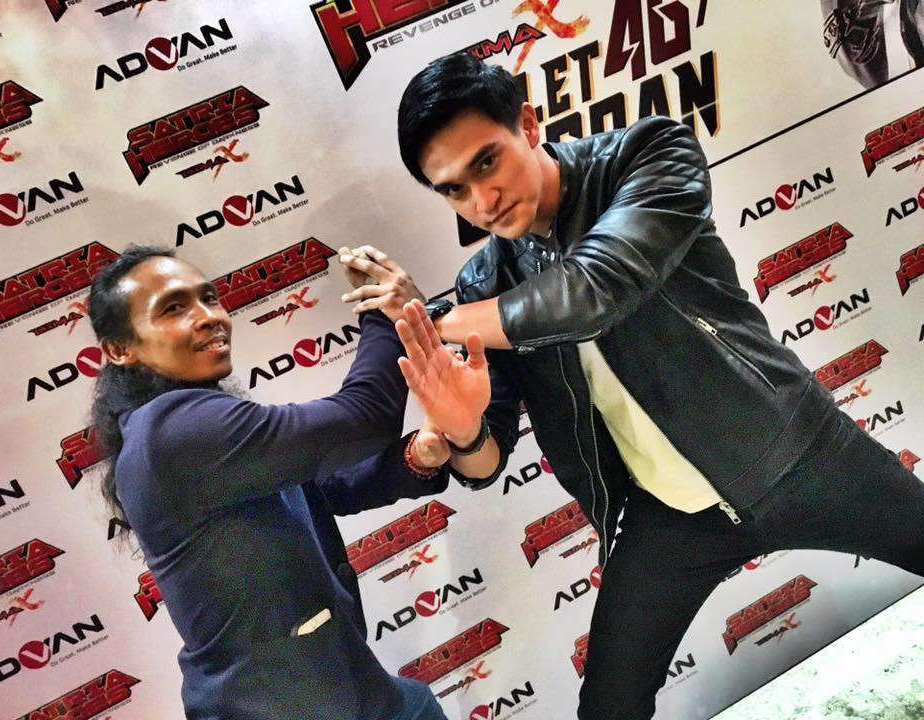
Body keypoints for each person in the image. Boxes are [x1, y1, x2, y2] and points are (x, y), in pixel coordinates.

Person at [339, 53, 924, 719]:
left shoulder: (647, 154)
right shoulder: (485, 284)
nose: (482, 201)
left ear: (527, 125)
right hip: (667, 518)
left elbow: (595, 290)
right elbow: (486, 462)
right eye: (453, 190)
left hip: (795, 451)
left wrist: (431, 320)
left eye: (486, 162)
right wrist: (465, 429)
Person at [88, 244, 457, 720]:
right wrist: (388, 313)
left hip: (338, 688)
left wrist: (415, 459)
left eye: (209, 298)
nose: (209, 317)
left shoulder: (185, 422)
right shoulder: (171, 431)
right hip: (278, 704)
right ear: (120, 350)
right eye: (174, 308)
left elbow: (316, 488)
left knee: (416, 704)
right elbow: (365, 417)